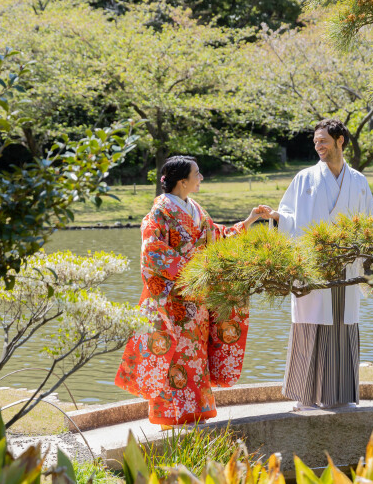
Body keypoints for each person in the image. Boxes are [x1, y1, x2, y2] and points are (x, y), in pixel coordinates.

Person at [115, 156, 272, 426]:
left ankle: (196, 414)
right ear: (182, 181)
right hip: (173, 299)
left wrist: (249, 220)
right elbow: (152, 253)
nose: (201, 178)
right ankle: (170, 419)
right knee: (172, 356)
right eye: (197, 174)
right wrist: (192, 272)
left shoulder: (196, 209)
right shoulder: (159, 213)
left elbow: (216, 236)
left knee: (196, 357)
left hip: (197, 300)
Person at [269, 119, 373, 411]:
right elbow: (287, 216)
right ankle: (306, 398)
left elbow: (372, 223)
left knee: (344, 326)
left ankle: (340, 397)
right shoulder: (304, 178)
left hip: (347, 267)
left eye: (324, 141)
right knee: (311, 327)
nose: (319, 146)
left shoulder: (358, 181)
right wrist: (278, 221)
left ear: (340, 140)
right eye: (316, 142)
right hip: (313, 268)